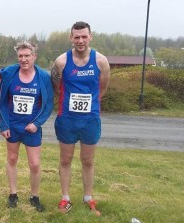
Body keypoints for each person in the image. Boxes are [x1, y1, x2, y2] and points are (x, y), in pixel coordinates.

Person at [50, 21, 110, 216]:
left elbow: (103, 88)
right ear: (71, 38)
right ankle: (65, 198)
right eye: (77, 37)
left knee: (88, 160)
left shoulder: (101, 61)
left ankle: (88, 197)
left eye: (84, 36)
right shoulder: (61, 62)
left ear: (90, 36)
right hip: (67, 118)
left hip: (90, 119)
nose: (81, 40)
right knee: (65, 158)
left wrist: (90, 103)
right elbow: (56, 87)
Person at [0, 41, 53, 212]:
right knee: (12, 159)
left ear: (34, 56)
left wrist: (37, 123)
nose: (24, 59)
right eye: (20, 56)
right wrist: (3, 124)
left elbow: (49, 103)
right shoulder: (10, 73)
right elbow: (1, 101)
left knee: (34, 164)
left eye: (27, 55)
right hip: (12, 125)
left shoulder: (43, 76)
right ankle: (13, 194)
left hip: (32, 127)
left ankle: (34, 196)